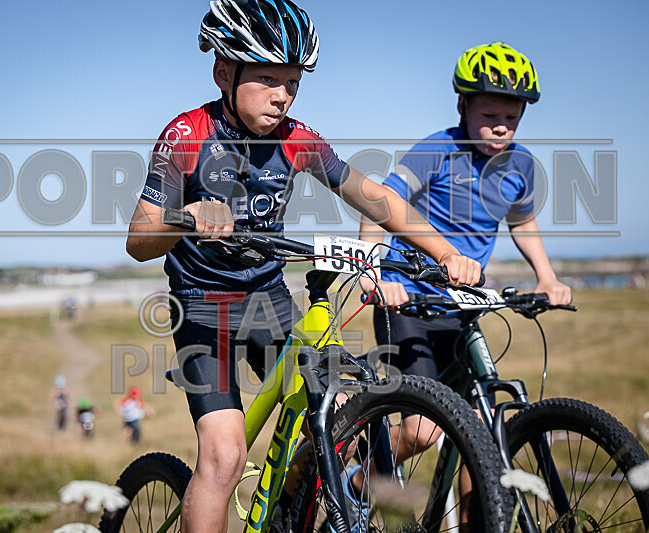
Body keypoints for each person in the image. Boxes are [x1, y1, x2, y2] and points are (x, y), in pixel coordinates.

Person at [125, 2, 482, 531]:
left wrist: (445, 253)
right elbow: (138, 239)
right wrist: (187, 215)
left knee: (342, 418)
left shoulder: (297, 139)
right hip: (203, 306)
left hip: (267, 300)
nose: (282, 95)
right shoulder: (187, 135)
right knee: (224, 457)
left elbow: (374, 196)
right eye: (268, 79)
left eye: (292, 82)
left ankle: (288, 511)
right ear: (224, 73)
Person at [356, 42, 573, 521]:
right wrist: (372, 271)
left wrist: (546, 276)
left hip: (461, 308)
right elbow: (379, 201)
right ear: (462, 105)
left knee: (481, 432)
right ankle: (355, 477)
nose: (501, 127)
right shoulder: (437, 151)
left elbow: (522, 221)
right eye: (489, 115)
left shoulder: (520, 165)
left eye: (512, 118)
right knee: (421, 430)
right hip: (407, 302)